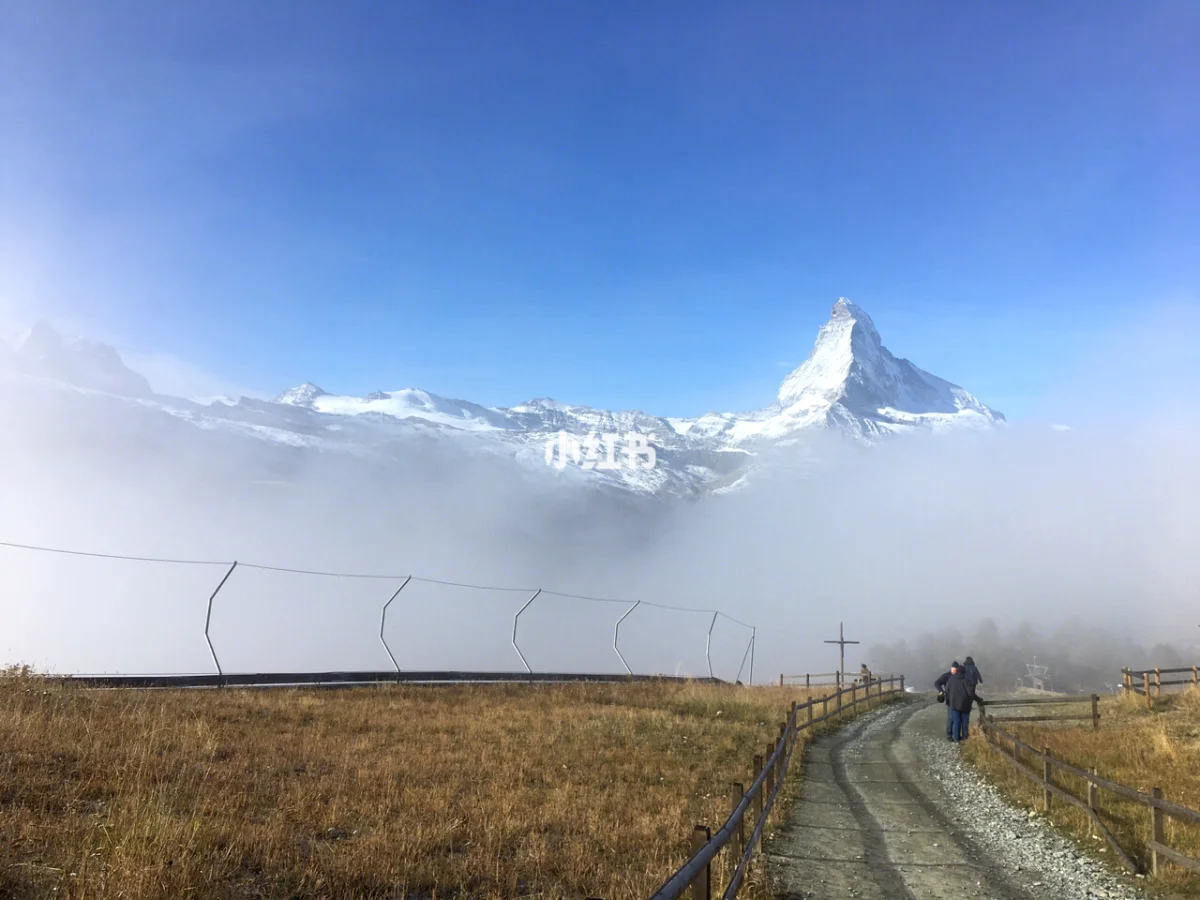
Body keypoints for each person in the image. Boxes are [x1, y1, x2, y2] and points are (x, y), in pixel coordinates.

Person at [943, 665, 977, 742]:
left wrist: (949, 700)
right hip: (965, 705)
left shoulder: (951, 679)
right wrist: (973, 700)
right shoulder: (966, 680)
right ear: (964, 672)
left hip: (954, 705)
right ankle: (965, 737)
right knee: (964, 722)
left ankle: (956, 738)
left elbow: (947, 691)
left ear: (957, 671)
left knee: (956, 722)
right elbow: (970, 693)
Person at [934, 662, 959, 739]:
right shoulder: (946, 676)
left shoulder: (959, 676)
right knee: (951, 718)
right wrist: (941, 691)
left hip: (958, 699)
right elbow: (937, 683)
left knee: (957, 718)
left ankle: (956, 735)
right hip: (949, 699)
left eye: (956, 670)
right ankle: (949, 734)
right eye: (953, 669)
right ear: (951, 668)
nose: (954, 671)